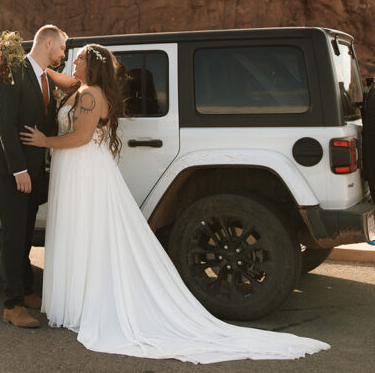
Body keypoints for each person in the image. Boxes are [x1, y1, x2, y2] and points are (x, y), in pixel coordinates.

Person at [21, 44, 330, 362]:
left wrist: (45, 141)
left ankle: (87, 301)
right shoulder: (83, 88)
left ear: (93, 66)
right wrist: (33, 64)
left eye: (81, 59)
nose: (75, 63)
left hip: (83, 170)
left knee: (87, 233)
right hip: (76, 169)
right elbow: (62, 80)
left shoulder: (88, 96)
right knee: (81, 233)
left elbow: (81, 138)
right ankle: (79, 299)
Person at [0, 24, 67, 328]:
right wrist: (19, 169)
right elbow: (5, 123)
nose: (63, 53)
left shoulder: (45, 76)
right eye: (61, 47)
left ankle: (27, 290)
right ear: (48, 42)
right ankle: (12, 305)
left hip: (32, 169)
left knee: (25, 232)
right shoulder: (13, 70)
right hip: (11, 168)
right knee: (13, 233)